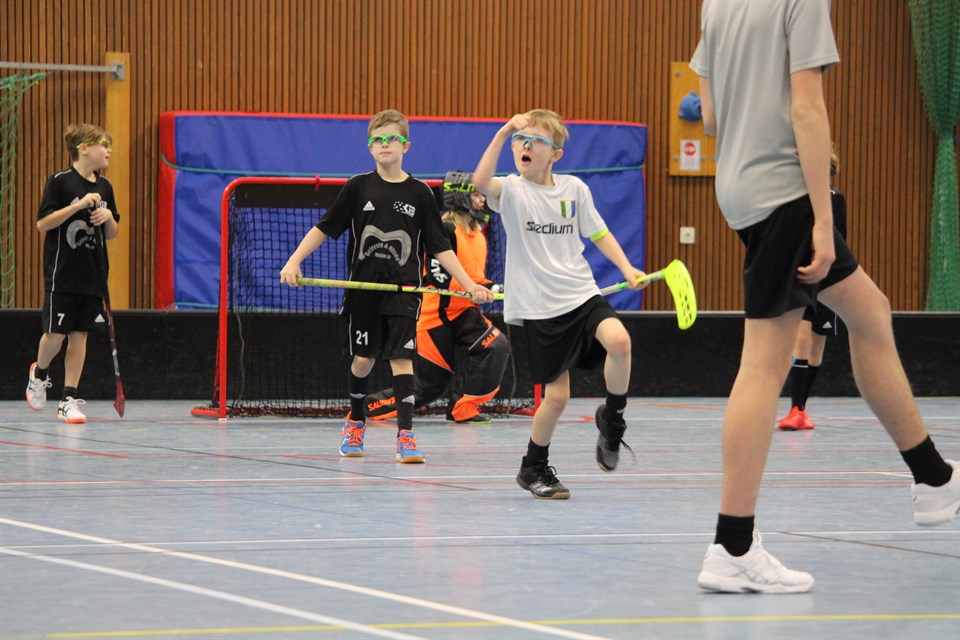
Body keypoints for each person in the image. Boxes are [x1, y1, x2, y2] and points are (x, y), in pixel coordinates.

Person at [690, 0, 959, 594]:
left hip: (739, 191)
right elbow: (806, 107)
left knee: (870, 312)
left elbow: (709, 118)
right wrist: (821, 215)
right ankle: (733, 545)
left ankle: (934, 478)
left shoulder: (716, 3)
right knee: (762, 367)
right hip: (784, 193)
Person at [279, 109, 493, 463]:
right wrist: (294, 260)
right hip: (363, 292)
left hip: (404, 293)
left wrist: (469, 285)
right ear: (369, 147)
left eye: (391, 138)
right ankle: (355, 421)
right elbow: (324, 227)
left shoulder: (420, 193)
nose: (384, 144)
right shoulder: (358, 187)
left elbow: (439, 246)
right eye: (377, 139)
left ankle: (406, 436)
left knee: (401, 359)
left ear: (405, 145)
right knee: (363, 359)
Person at [473, 109, 647, 500]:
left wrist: (627, 267)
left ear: (555, 154)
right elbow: (480, 182)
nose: (526, 146)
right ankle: (533, 466)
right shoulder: (511, 190)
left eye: (536, 141)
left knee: (620, 341)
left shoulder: (574, 189)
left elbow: (599, 233)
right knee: (557, 397)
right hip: (539, 308)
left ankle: (613, 419)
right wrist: (502, 133)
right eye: (520, 140)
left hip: (581, 293)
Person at [363, 171, 511, 425]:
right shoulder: (445, 230)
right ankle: (370, 406)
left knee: (495, 346)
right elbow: (439, 279)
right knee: (429, 387)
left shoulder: (478, 234)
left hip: (463, 313)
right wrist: (483, 286)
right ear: (460, 197)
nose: (481, 201)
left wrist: (488, 287)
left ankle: (462, 408)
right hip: (436, 317)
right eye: (476, 195)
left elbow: (474, 275)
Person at [25, 124, 120, 425]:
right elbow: (42, 224)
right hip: (63, 275)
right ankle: (39, 372)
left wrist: (107, 217)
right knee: (55, 335)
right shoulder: (60, 182)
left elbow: (112, 232)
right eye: (103, 144)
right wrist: (76, 206)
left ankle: (68, 399)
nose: (108, 150)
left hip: (93, 276)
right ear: (83, 148)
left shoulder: (105, 186)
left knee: (80, 337)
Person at [778, 148, 847, 431]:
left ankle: (802, 409)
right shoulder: (797, 200)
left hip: (827, 282)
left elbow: (839, 241)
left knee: (817, 348)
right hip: (802, 280)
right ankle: (795, 408)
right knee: (802, 341)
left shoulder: (836, 199)